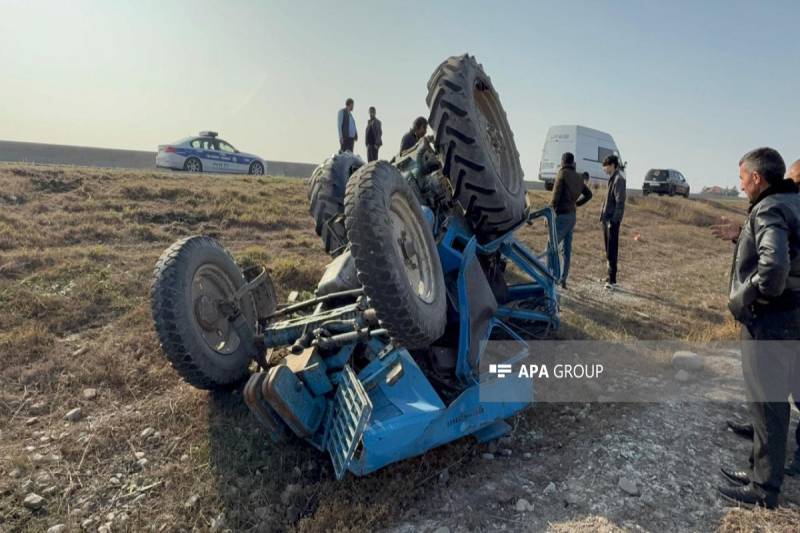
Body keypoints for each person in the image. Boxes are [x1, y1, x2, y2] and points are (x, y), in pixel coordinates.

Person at [717, 147, 800, 508]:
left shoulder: (769, 207)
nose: (740, 186)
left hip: (770, 323)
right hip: (792, 317)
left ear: (756, 178)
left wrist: (744, 299)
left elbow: (774, 268)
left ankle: (764, 489)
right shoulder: (792, 203)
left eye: (741, 179)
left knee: (767, 403)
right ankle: (758, 470)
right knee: (778, 400)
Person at [550, 152, 593, 289]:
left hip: (561, 215)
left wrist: (550, 214)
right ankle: (563, 279)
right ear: (573, 162)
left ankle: (550, 277)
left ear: (562, 162)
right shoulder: (579, 177)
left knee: (551, 247)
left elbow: (555, 198)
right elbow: (589, 194)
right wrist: (577, 204)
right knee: (566, 249)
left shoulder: (561, 174)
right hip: (572, 216)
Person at [599, 155, 626, 289]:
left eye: (606, 165)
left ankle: (612, 280)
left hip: (612, 221)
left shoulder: (619, 179)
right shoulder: (612, 178)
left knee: (612, 250)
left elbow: (620, 202)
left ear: (613, 165)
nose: (604, 168)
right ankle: (609, 276)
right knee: (608, 249)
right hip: (606, 219)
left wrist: (614, 221)